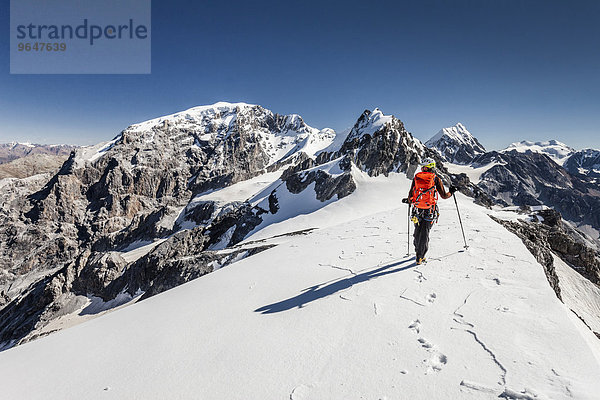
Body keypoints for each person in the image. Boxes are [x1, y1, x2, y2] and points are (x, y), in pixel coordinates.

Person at [404, 157, 457, 265]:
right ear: (432, 167)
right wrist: (451, 192)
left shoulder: (416, 178)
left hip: (417, 209)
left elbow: (411, 194)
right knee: (425, 232)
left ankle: (417, 251)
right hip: (430, 209)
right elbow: (444, 196)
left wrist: (409, 201)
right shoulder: (435, 178)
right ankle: (420, 256)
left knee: (417, 231)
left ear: (423, 167)